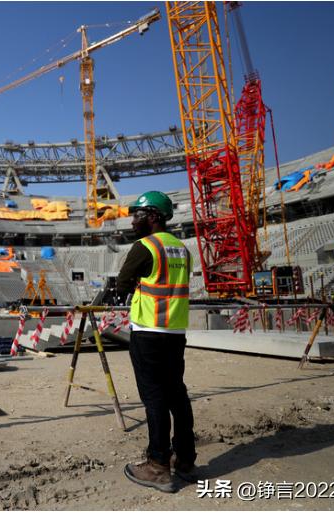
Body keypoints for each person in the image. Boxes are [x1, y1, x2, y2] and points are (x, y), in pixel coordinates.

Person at [116, 191, 196, 494]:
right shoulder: (182, 249)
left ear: (153, 217)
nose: (133, 221)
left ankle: (158, 465)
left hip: (149, 332)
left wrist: (134, 285)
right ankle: (186, 459)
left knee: (155, 399)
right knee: (177, 395)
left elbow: (123, 284)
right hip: (175, 333)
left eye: (137, 215)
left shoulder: (145, 246)